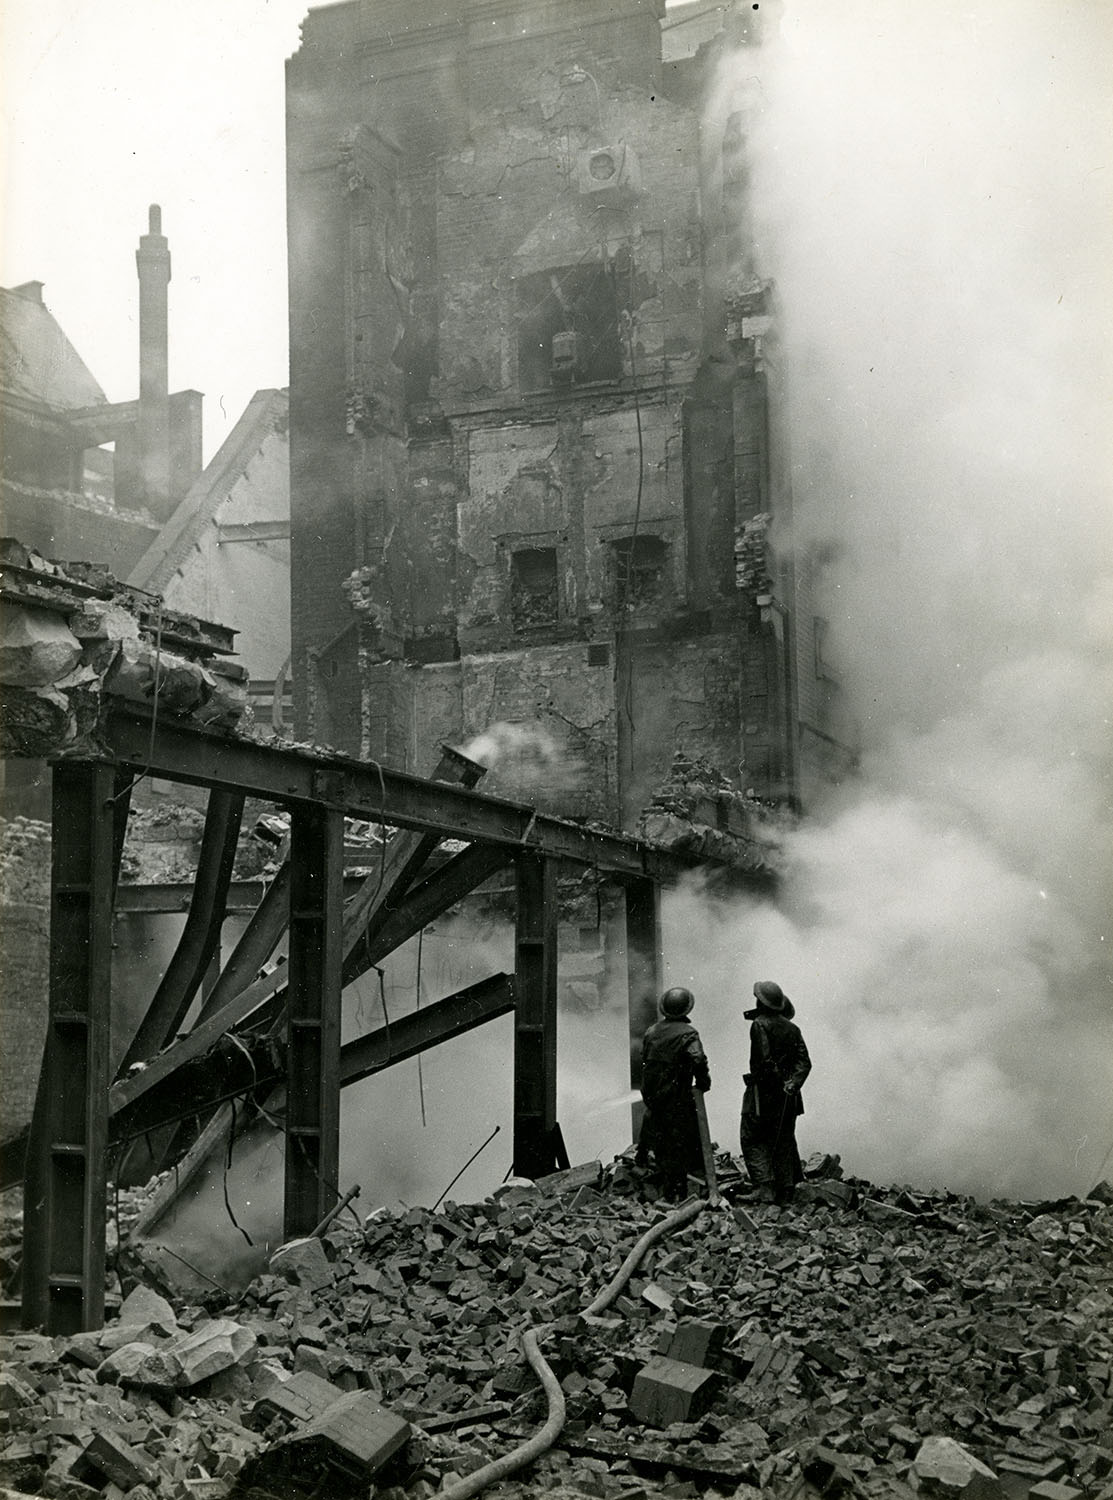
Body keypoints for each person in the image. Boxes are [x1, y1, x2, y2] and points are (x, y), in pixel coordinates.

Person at [739, 980, 811, 1205]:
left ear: (761, 1002)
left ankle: (765, 1188)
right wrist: (791, 1084)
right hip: (789, 1096)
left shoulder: (759, 1024)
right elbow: (805, 1063)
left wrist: (777, 1081)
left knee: (751, 1137)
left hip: (763, 1093)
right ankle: (787, 1191)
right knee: (784, 1139)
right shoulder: (793, 1028)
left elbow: (764, 1060)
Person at [639, 986, 711, 1200]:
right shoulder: (689, 1034)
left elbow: (645, 1058)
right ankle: (677, 1191)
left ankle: (649, 1170)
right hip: (677, 1097)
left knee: (658, 1136)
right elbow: (697, 1059)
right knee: (680, 1142)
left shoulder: (651, 1031)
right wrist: (703, 1082)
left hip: (654, 1097)